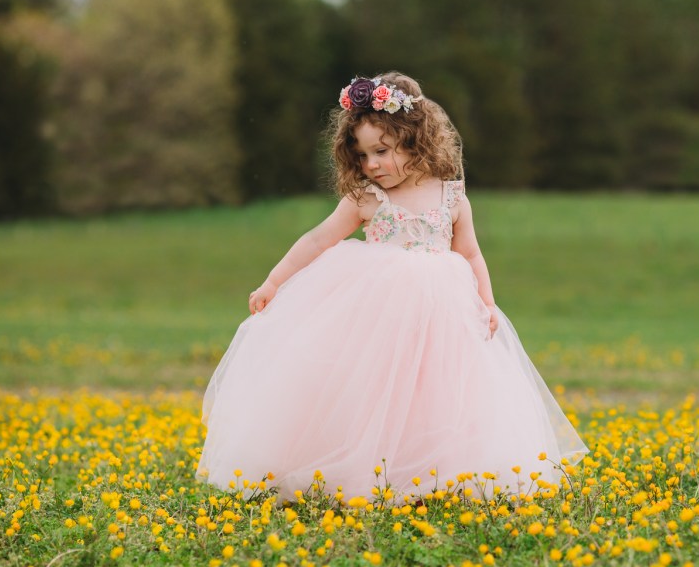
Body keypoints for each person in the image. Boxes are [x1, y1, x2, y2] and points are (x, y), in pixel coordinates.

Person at [197, 72, 586, 503]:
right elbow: (318, 239)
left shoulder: (452, 197)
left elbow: (471, 254)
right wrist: (273, 281)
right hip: (378, 314)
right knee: (373, 389)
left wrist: (487, 303)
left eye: (381, 151)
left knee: (436, 391)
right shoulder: (366, 198)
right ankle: (360, 467)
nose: (371, 165)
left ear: (415, 140)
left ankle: (430, 472)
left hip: (444, 313)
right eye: (362, 155)